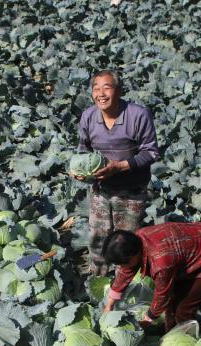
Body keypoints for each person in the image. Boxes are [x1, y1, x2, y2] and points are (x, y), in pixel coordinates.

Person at [73, 70, 160, 276]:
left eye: (107, 88)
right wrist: (80, 170)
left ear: (119, 91)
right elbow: (83, 150)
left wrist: (119, 166)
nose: (100, 94)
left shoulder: (138, 115)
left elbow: (151, 152)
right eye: (96, 89)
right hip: (100, 190)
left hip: (131, 192)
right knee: (97, 239)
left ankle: (125, 281)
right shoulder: (88, 116)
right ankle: (99, 278)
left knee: (125, 243)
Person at [101, 223, 201, 331]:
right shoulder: (138, 238)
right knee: (174, 299)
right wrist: (109, 304)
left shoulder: (161, 263)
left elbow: (163, 295)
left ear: (133, 255)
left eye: (123, 263)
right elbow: (127, 270)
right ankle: (170, 331)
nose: (122, 267)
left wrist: (148, 319)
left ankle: (186, 340)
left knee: (183, 309)